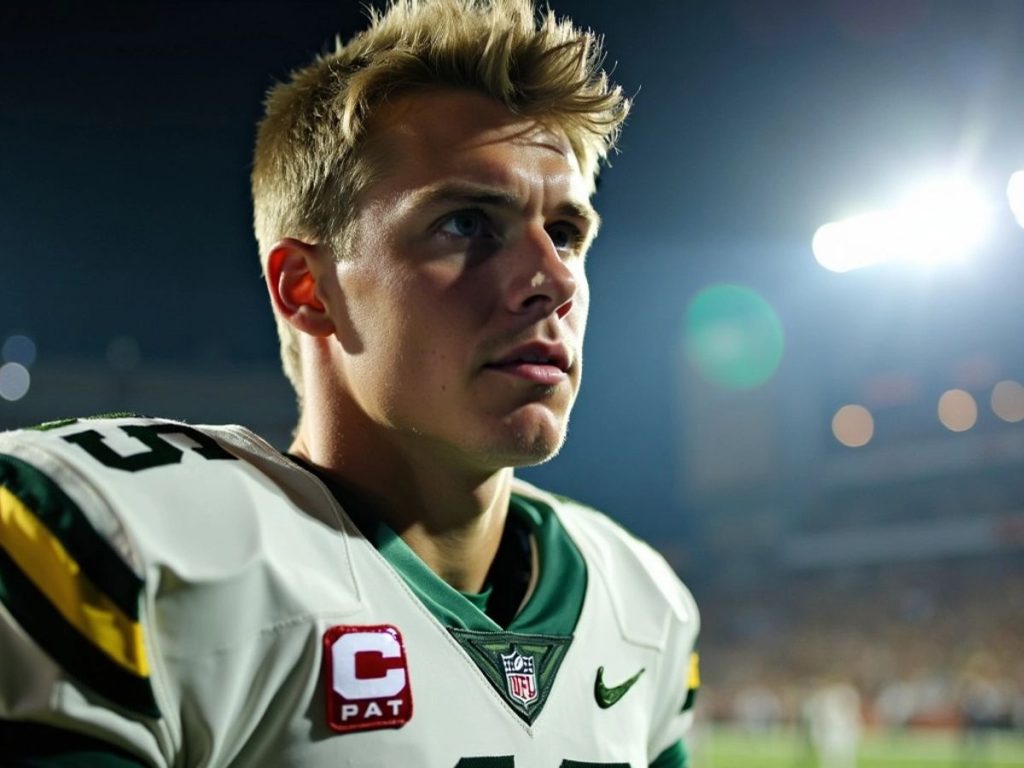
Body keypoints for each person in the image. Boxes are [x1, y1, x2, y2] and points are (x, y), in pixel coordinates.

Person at [0, 1, 700, 765]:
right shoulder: (113, 545)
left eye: (566, 232)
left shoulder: (641, 604)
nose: (554, 278)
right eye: (468, 223)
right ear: (307, 289)